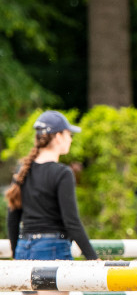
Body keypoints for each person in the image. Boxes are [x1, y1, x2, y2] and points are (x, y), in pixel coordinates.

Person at [5, 110, 98, 262]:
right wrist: (94, 259)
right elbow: (71, 222)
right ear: (58, 136)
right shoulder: (63, 173)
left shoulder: (22, 170)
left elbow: (12, 219)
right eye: (69, 134)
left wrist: (17, 255)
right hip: (52, 249)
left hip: (23, 248)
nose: (71, 140)